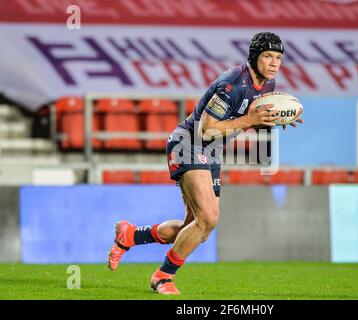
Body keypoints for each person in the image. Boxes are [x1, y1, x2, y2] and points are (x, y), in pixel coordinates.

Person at [107, 32, 303, 295]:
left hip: (211, 150)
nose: (274, 63)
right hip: (189, 143)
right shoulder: (232, 84)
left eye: (278, 58)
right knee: (209, 217)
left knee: (198, 228)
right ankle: (163, 277)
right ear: (254, 56)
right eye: (268, 56)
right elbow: (206, 129)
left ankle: (131, 235)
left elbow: (246, 121)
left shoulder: (268, 86)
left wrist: (271, 120)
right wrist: (248, 121)